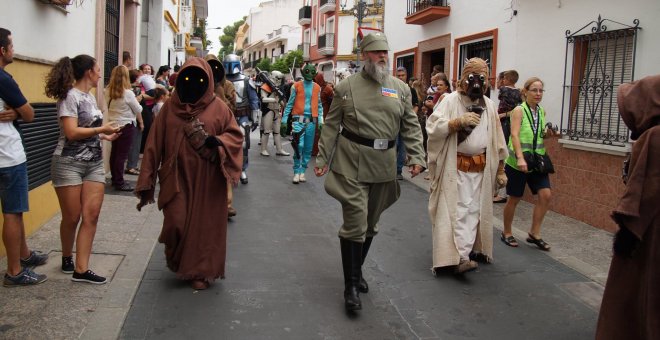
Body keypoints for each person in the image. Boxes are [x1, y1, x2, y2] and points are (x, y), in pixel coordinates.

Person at [314, 32, 425, 311]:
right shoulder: (346, 87)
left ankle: (357, 270)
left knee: (371, 223)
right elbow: (331, 125)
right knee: (355, 222)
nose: (382, 57)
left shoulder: (400, 88)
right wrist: (322, 158)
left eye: (385, 52)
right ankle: (350, 286)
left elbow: (410, 126)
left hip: (384, 165)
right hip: (351, 162)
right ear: (365, 56)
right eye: (376, 53)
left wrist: (416, 155)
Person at [135, 58, 243, 290]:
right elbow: (153, 144)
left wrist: (219, 141)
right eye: (187, 78)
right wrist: (146, 179)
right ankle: (177, 257)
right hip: (176, 178)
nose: (192, 83)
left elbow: (235, 137)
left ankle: (201, 272)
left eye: (198, 78)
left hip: (208, 180)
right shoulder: (169, 110)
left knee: (205, 227)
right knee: (176, 223)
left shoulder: (219, 108)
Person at [426, 57, 508, 274]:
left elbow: (498, 140)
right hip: (456, 168)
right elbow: (433, 126)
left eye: (481, 79)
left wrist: (500, 169)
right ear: (463, 79)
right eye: (472, 79)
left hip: (481, 171)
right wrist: (457, 123)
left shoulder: (489, 106)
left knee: (473, 210)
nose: (476, 84)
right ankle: (457, 257)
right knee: (457, 210)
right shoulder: (450, 101)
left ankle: (465, 251)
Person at [45, 54, 121, 284]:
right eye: (98, 69)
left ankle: (81, 268)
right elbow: (71, 132)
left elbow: (88, 132)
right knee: (72, 217)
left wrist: (106, 134)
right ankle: (67, 256)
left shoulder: (89, 97)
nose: (100, 73)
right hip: (68, 163)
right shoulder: (69, 96)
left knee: (92, 215)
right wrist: (101, 131)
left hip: (94, 163)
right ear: (89, 71)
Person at [595, 74, 660, 340]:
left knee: (637, 294)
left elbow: (643, 191)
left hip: (650, 231)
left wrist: (626, 234)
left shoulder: (654, 136)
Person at [0, 27, 48, 287]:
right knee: (13, 212)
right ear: (2, 50)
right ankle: (15, 270)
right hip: (7, 155)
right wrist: (19, 113)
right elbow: (30, 114)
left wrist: (15, 113)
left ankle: (24, 254)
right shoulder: (4, 79)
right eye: (11, 45)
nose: (13, 50)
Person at [500, 77, 558, 250]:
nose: (538, 94)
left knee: (546, 195)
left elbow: (539, 135)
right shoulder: (519, 110)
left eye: (541, 90)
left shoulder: (541, 112)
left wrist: (549, 134)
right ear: (525, 92)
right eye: (534, 90)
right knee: (514, 198)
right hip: (518, 161)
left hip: (537, 160)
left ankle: (535, 232)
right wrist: (519, 157)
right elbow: (515, 135)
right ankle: (507, 232)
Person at [282, 64, 323, 184]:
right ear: (303, 72)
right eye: (307, 71)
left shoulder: (317, 87)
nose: (309, 73)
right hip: (298, 120)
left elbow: (319, 106)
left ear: (315, 73)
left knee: (308, 148)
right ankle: (296, 171)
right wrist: (284, 120)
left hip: (311, 121)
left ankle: (302, 171)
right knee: (298, 145)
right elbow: (289, 104)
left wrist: (320, 120)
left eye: (312, 71)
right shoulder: (296, 86)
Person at [104, 65, 143, 192]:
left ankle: (115, 179)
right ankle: (120, 182)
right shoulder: (128, 93)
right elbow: (138, 109)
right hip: (126, 125)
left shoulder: (107, 90)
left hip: (113, 125)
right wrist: (139, 99)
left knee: (115, 153)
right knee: (122, 155)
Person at [223, 54, 260, 184]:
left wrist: (255, 118)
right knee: (225, 143)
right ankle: (227, 169)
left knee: (243, 144)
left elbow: (253, 99)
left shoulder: (245, 80)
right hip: (226, 117)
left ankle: (242, 169)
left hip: (242, 116)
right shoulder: (221, 81)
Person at [493, 70, 522, 204]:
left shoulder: (504, 91)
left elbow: (502, 102)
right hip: (511, 125)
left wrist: (502, 114)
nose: (501, 81)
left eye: (502, 78)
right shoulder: (519, 93)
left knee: (502, 153)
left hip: (504, 124)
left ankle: (501, 192)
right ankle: (499, 190)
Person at [257, 70, 290, 157]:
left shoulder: (279, 88)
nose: (280, 81)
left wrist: (282, 102)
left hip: (276, 110)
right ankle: (263, 149)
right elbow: (263, 99)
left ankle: (279, 149)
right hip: (269, 110)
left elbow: (281, 101)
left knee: (277, 132)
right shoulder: (265, 86)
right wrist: (274, 99)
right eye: (278, 78)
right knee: (266, 131)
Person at [395, 66, 419, 180]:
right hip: (393, 122)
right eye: (398, 75)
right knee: (393, 145)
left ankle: (398, 171)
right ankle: (389, 169)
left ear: (406, 76)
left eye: (402, 75)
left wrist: (410, 119)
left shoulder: (411, 90)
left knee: (402, 148)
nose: (400, 77)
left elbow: (416, 106)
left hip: (405, 123)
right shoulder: (391, 89)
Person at [125, 69, 144, 176]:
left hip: (127, 120)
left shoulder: (125, 89)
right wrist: (141, 122)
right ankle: (132, 166)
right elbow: (137, 109)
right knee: (135, 143)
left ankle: (131, 165)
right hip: (134, 120)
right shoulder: (135, 90)